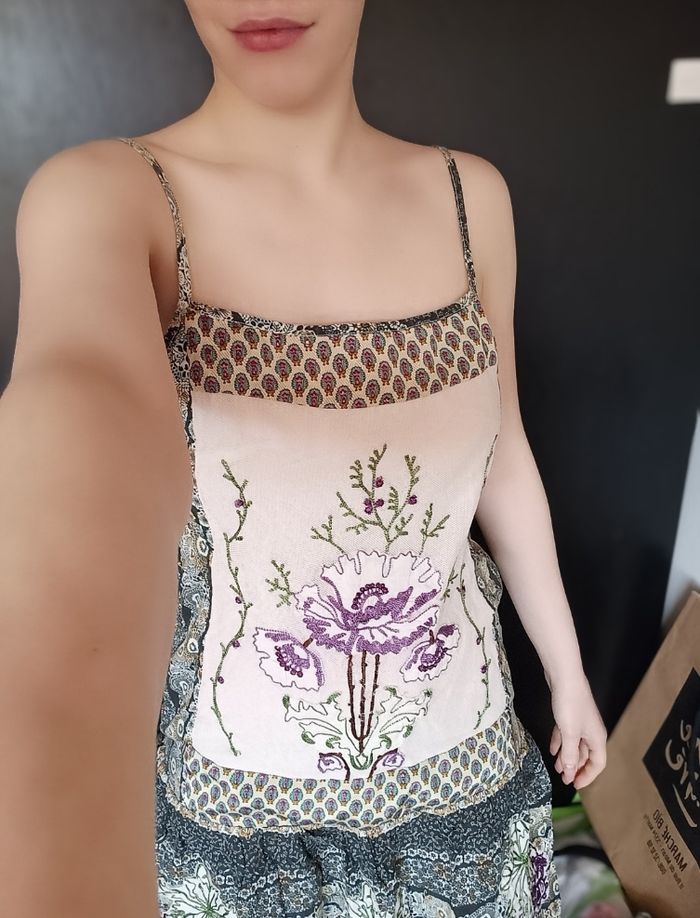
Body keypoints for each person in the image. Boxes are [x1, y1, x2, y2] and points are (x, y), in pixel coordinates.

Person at [2, 2, 608, 916]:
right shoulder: (109, 200)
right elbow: (76, 447)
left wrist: (568, 675)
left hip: (470, 790)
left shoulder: (470, 198)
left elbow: (503, 451)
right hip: (241, 837)